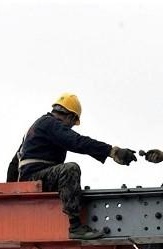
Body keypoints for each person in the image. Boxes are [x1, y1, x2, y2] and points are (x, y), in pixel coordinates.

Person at [7, 93, 137, 240]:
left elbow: (14, 164)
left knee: (66, 174)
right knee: (70, 169)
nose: (70, 127)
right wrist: (111, 151)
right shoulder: (51, 124)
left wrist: (11, 192)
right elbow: (77, 141)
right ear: (70, 117)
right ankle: (75, 226)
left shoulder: (38, 126)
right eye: (72, 123)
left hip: (32, 178)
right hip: (35, 178)